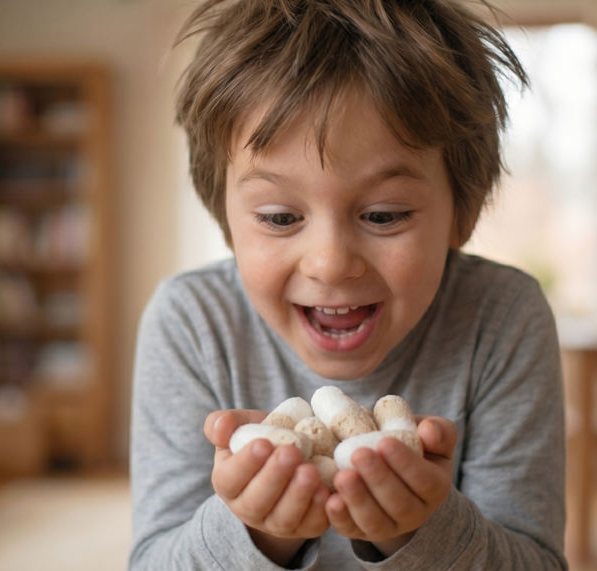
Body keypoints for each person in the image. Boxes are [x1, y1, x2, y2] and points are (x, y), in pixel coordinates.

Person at [128, 0, 567, 568]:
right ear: (226, 223)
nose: (331, 264)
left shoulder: (502, 316)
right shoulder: (190, 323)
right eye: (280, 218)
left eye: (384, 215)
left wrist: (421, 532)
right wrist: (258, 534)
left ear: (463, 213)